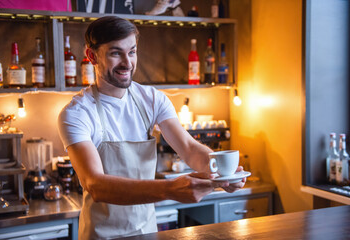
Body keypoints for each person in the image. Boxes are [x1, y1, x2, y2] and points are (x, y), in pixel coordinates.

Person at [57, 16, 246, 239]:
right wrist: (170, 189)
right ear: (92, 56)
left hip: (146, 231)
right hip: (101, 235)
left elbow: (188, 147)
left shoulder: (152, 99)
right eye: (116, 53)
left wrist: (221, 173)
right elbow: (95, 184)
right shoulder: (77, 113)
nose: (127, 63)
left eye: (132, 52)